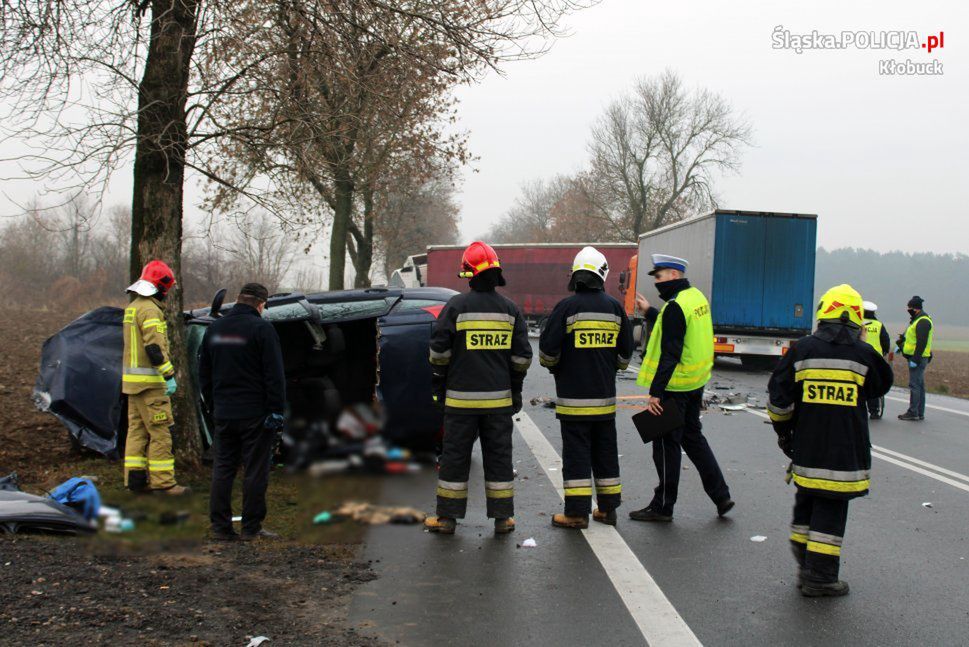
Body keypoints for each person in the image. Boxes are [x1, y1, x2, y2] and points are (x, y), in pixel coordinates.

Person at [768, 284, 893, 597]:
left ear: (823, 313)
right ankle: (820, 578)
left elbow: (778, 400)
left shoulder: (802, 349)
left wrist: (784, 434)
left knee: (806, 502)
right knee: (831, 510)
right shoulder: (864, 354)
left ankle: (806, 561)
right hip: (844, 453)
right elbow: (882, 385)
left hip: (806, 448)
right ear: (856, 319)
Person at [424, 242, 532, 535]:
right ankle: (503, 519)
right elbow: (522, 358)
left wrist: (440, 382)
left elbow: (438, 353)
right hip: (498, 404)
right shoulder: (510, 310)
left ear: (469, 275)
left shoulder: (456, 307)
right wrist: (515, 389)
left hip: (460, 404)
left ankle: (447, 519)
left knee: (454, 459)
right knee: (499, 458)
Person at [630, 254, 733, 522]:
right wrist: (649, 311)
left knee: (665, 445)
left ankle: (663, 506)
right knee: (693, 439)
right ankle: (721, 496)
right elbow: (678, 327)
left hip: (674, 385)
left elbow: (671, 352)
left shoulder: (676, 305)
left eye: (660, 276)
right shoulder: (695, 297)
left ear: (674, 275)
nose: (657, 282)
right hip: (694, 382)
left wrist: (656, 392)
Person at [539, 247, 634, 529]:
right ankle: (607, 510)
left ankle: (577, 513)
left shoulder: (566, 308)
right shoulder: (616, 308)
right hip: (604, 402)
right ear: (602, 274)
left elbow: (547, 352)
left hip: (573, 401)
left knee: (577, 454)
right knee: (605, 452)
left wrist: (558, 368)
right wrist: (608, 368)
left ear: (576, 275)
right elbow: (625, 356)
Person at [198, 283, 286, 541]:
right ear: (261, 304)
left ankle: (220, 528)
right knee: (255, 469)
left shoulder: (214, 329)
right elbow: (274, 374)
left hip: (224, 412)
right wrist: (276, 410)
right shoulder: (262, 329)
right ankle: (251, 528)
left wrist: (213, 406)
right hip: (255, 414)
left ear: (238, 300)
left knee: (223, 468)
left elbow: (204, 373)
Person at [122, 260, 190, 496]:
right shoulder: (151, 310)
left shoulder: (133, 307)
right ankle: (163, 484)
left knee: (137, 433)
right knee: (161, 434)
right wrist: (169, 375)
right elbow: (154, 348)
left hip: (132, 384)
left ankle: (136, 482)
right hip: (151, 385)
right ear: (161, 288)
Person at [896, 296, 933, 422]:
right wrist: (901, 345)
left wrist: (915, 359)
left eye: (909, 308)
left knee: (915, 385)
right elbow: (912, 339)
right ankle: (919, 412)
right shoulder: (917, 320)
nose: (908, 309)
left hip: (917, 358)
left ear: (915, 308)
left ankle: (913, 412)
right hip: (916, 356)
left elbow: (921, 342)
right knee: (920, 385)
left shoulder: (923, 321)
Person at [862, 301, 891, 420]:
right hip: (875, 358)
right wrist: (883, 352)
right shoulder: (879, 325)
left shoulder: (859, 324)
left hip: (861, 357)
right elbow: (886, 341)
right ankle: (874, 411)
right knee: (872, 383)